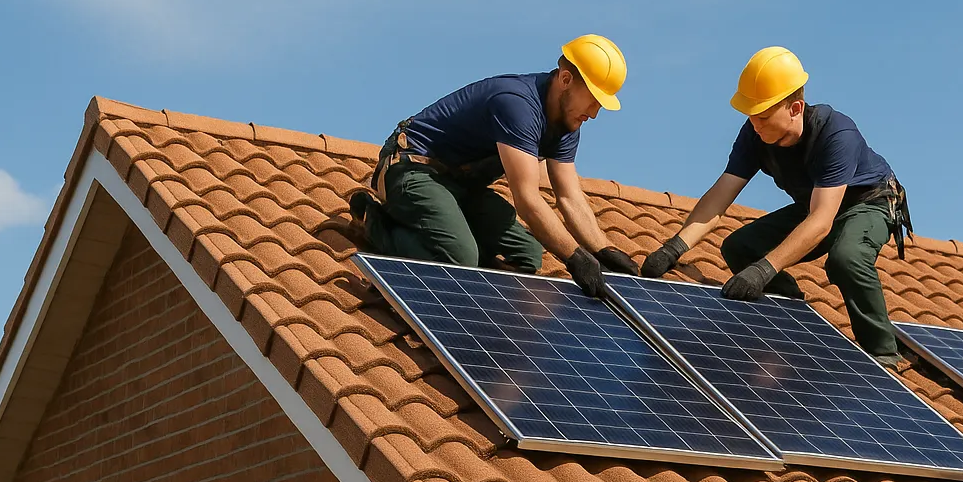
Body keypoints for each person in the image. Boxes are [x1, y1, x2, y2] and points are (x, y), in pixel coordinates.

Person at [639, 47, 913, 368]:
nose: (755, 124)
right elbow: (721, 194)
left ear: (795, 107)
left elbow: (822, 222)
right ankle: (791, 316)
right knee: (740, 248)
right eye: (750, 115)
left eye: (764, 116)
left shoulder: (837, 134)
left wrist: (764, 270)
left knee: (846, 259)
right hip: (817, 202)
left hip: (867, 202)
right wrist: (673, 249)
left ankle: (882, 353)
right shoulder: (755, 134)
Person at [354, 36, 639, 299]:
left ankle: (465, 266)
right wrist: (575, 258)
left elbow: (569, 197)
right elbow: (528, 201)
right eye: (593, 101)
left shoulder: (567, 124)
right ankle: (377, 222)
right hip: (412, 168)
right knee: (459, 260)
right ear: (566, 79)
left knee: (528, 254)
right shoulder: (517, 104)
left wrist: (603, 251)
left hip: (460, 187)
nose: (594, 113)